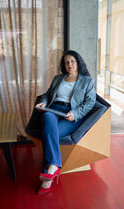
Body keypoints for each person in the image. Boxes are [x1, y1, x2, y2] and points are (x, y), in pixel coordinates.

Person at [25, 50, 96, 194]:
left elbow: (90, 102)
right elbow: (47, 94)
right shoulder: (58, 78)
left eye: (72, 62)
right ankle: (53, 167)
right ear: (64, 65)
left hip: (71, 114)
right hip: (54, 109)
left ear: (78, 63)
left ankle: (49, 172)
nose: (69, 64)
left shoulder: (87, 81)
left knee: (49, 133)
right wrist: (44, 102)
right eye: (66, 62)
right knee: (47, 117)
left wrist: (75, 113)